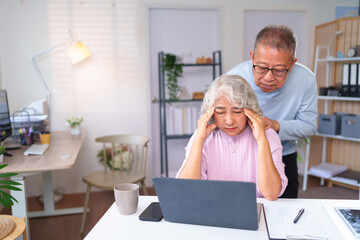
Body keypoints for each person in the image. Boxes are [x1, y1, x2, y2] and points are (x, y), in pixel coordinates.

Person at [227, 25, 317, 198]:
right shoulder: (233, 79)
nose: (268, 77)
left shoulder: (306, 80)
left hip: (283, 157)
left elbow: (309, 127)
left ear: (292, 64)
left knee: (284, 216)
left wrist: (275, 125)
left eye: (278, 70)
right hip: (242, 157)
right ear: (252, 57)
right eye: (261, 67)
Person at [177, 74, 288, 200]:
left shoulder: (267, 135)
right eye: (220, 112)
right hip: (211, 211)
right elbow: (186, 190)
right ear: (211, 113)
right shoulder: (202, 136)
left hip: (253, 212)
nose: (229, 121)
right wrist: (199, 140)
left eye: (237, 111)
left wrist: (262, 141)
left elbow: (271, 193)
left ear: (250, 110)